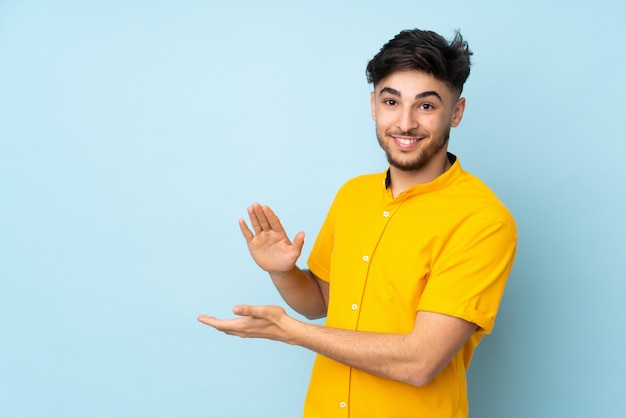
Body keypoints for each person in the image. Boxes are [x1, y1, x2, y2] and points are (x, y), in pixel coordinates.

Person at [198, 28, 517, 417]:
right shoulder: (354, 195)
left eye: (426, 106)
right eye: (391, 101)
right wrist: (283, 273)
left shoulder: (483, 220)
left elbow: (420, 362)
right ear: (373, 105)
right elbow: (321, 303)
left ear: (457, 111)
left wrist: (292, 333)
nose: (405, 122)